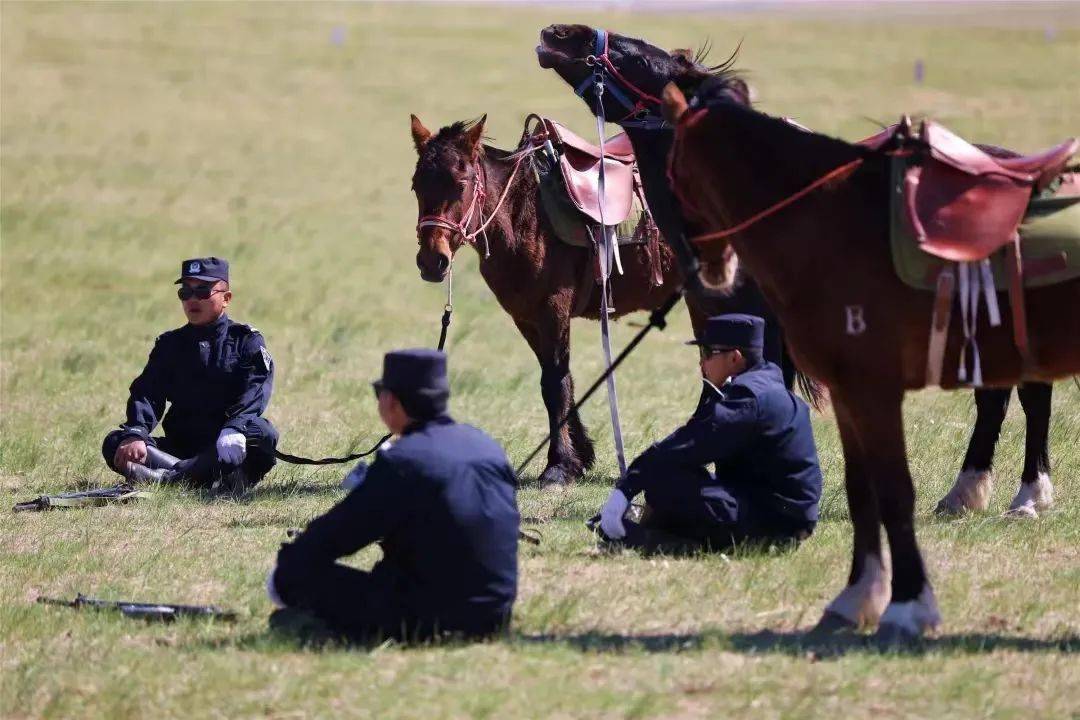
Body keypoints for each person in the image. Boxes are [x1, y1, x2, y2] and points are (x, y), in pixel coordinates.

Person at [267, 349, 519, 643]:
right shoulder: (486, 446)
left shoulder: (405, 461)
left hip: (426, 618)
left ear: (391, 401)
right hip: (495, 617)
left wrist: (290, 563)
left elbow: (338, 535)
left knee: (297, 575)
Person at [596, 314, 823, 553]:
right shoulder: (765, 384)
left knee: (663, 480)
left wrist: (625, 488)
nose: (701, 363)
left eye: (707, 353)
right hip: (779, 517)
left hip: (773, 525)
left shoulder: (749, 398)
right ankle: (659, 535)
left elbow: (689, 445)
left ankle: (657, 541)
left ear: (735, 357)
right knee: (671, 475)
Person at [101, 257, 278, 491]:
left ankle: (168, 480)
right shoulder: (170, 344)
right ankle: (197, 478)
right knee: (116, 442)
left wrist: (234, 427)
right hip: (182, 444)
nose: (192, 299)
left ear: (226, 298)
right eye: (185, 292)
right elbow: (147, 393)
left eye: (203, 291)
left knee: (262, 433)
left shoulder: (246, 341)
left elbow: (255, 392)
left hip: (225, 445)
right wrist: (136, 432)